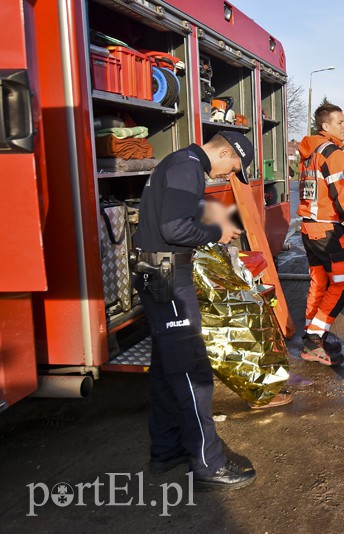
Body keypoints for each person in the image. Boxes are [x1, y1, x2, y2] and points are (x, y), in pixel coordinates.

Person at [134, 131, 256, 490]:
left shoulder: (176, 162)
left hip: (158, 276)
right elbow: (175, 228)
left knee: (164, 371)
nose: (229, 174)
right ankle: (209, 463)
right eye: (234, 166)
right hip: (170, 281)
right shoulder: (188, 167)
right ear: (225, 151)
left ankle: (167, 448)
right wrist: (215, 231)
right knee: (192, 373)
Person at [297, 103, 344, 365]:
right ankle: (315, 339)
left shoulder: (310, 152)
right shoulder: (333, 153)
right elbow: (343, 197)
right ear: (325, 126)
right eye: (340, 122)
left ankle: (313, 333)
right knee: (341, 283)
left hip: (309, 228)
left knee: (319, 282)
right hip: (328, 230)